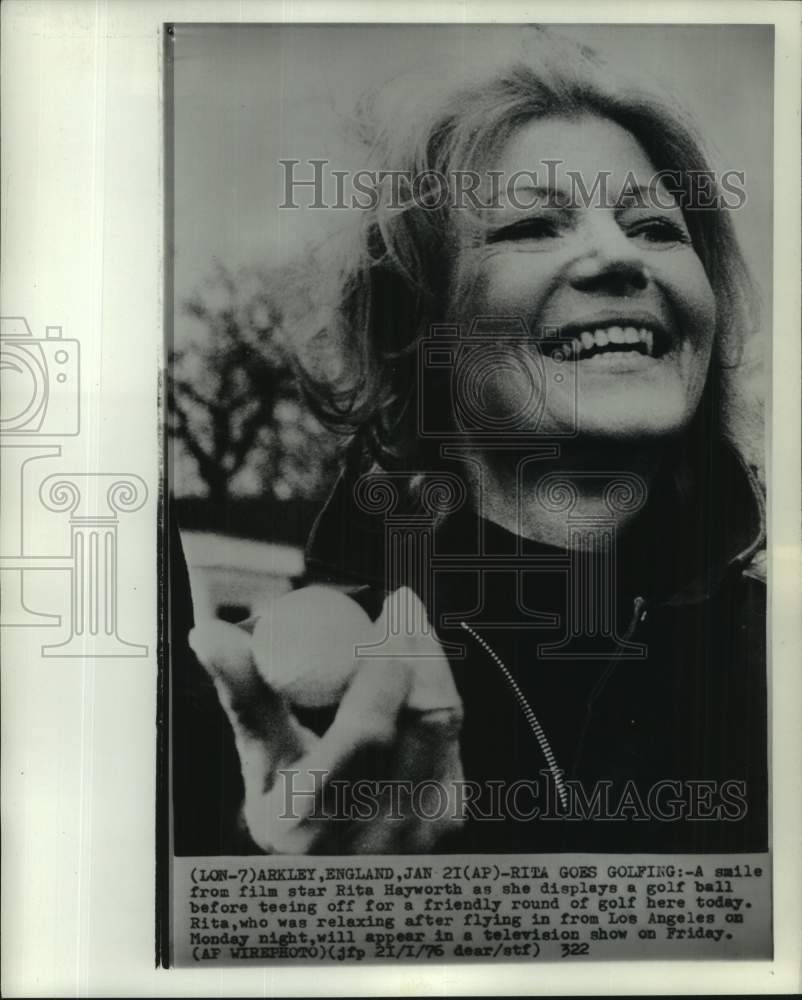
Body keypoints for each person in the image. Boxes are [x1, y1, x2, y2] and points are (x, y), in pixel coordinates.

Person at [172, 29, 767, 856]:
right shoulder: (286, 698)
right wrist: (284, 879)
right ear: (419, 329)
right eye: (531, 225)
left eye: (657, 226)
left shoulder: (781, 652)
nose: (618, 255)